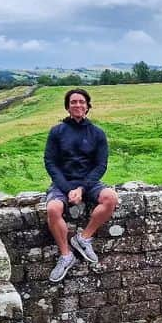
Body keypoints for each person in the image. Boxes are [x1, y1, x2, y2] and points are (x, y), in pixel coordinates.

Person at [43, 88, 119, 282]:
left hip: (89, 183)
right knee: (53, 208)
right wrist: (68, 189)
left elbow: (101, 165)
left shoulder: (97, 133)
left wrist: (82, 188)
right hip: (63, 183)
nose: (77, 105)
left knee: (111, 198)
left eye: (81, 102)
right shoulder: (57, 132)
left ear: (88, 106)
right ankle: (66, 255)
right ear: (68, 107)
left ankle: (83, 238)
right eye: (73, 102)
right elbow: (50, 162)